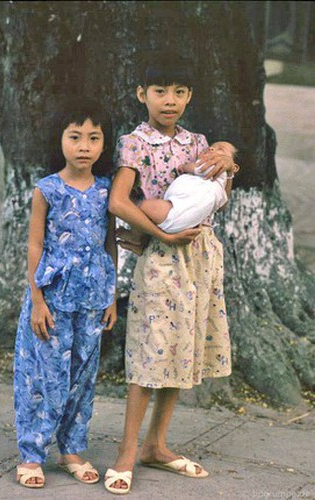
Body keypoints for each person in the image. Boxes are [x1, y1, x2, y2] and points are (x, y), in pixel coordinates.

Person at [104, 52, 236, 495]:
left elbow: (219, 193)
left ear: (190, 96)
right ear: (142, 94)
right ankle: (127, 450)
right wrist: (159, 232)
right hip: (162, 258)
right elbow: (119, 202)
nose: (169, 100)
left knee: (182, 349)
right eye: (160, 91)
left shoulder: (199, 142)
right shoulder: (135, 143)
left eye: (179, 92)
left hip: (199, 256)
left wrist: (227, 163)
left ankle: (156, 445)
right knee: (150, 351)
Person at [14, 98, 117, 489]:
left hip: (92, 299)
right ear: (60, 140)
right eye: (75, 137)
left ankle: (72, 448)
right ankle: (32, 452)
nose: (84, 146)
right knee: (45, 375)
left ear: (104, 144)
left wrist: (110, 297)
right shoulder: (47, 189)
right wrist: (37, 299)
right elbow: (35, 245)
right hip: (53, 298)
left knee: (81, 377)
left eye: (93, 138)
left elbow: (111, 245)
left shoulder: (107, 191)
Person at [116, 141, 238, 255]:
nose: (211, 148)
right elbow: (222, 202)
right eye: (211, 146)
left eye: (220, 149)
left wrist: (185, 167)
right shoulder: (218, 189)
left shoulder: (215, 166)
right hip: (186, 225)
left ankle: (136, 236)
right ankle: (140, 238)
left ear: (234, 166)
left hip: (176, 215)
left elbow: (197, 168)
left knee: (143, 207)